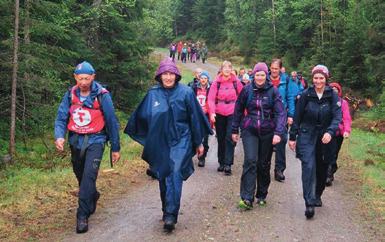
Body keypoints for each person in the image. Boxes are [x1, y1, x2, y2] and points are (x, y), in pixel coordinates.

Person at [124, 58, 212, 232]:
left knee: (175, 173)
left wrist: (198, 142)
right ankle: (166, 209)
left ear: (176, 75)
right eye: (165, 74)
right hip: (161, 142)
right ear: (160, 75)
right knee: (163, 175)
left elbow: (195, 119)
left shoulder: (186, 93)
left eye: (171, 73)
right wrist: (148, 141)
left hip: (182, 140)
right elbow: (141, 118)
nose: (168, 77)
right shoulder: (152, 94)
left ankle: (171, 215)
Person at [54, 61, 121, 233]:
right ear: (75, 77)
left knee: (88, 178)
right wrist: (59, 136)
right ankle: (92, 195)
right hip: (75, 140)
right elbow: (61, 117)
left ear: (93, 77)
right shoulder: (70, 94)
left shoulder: (102, 95)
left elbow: (112, 121)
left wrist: (115, 147)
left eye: (87, 78)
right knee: (80, 175)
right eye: (80, 78)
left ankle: (82, 216)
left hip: (96, 141)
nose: (83, 82)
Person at [288, 64, 341, 219]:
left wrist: (330, 132)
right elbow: (297, 116)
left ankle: (317, 194)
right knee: (308, 167)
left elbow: (337, 116)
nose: (318, 81)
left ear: (326, 79)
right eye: (316, 78)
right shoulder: (306, 94)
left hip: (325, 136)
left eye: (321, 78)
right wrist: (292, 137)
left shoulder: (332, 96)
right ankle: (309, 202)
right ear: (312, 79)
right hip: (307, 134)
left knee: (322, 168)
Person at [232, 62, 286, 209]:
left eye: (262, 74)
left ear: (266, 75)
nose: (260, 77)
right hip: (250, 129)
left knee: (263, 164)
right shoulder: (247, 90)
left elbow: (281, 113)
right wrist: (234, 129)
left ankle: (262, 194)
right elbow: (238, 109)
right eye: (257, 75)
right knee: (250, 160)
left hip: (268, 131)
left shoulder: (273, 91)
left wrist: (278, 132)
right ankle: (247, 197)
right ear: (253, 75)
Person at [208, 61, 243, 175]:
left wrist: (243, 112)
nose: (227, 69)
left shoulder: (236, 82)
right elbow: (211, 99)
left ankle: (228, 164)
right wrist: (212, 112)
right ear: (221, 69)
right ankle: (221, 162)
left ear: (231, 69)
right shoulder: (216, 83)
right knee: (221, 138)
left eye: (229, 67)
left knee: (230, 137)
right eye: (225, 67)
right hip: (219, 112)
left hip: (232, 112)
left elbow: (242, 96)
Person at [267, 59, 296, 182]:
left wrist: (291, 114)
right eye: (272, 68)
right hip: (267, 114)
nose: (274, 70)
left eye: (276, 68)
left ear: (280, 69)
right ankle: (264, 167)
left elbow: (290, 98)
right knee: (267, 142)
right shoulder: (265, 78)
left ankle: (279, 170)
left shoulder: (286, 80)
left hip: (281, 114)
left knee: (281, 140)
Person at [326, 82, 352, 186]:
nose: (334, 91)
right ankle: (327, 175)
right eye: (332, 89)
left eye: (336, 90)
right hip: (326, 132)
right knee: (326, 153)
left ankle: (331, 171)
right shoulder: (325, 101)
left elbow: (346, 118)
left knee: (334, 154)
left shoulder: (343, 103)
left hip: (338, 133)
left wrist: (346, 130)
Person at [192, 71, 212, 167]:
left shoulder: (211, 88)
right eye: (202, 78)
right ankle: (191, 154)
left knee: (205, 138)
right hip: (196, 115)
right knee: (193, 136)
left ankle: (202, 158)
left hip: (206, 116)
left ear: (208, 79)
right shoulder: (194, 87)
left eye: (205, 78)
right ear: (199, 79)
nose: (203, 80)